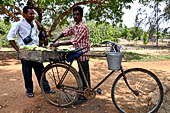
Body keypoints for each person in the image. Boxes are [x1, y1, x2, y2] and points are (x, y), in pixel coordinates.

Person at [7, 6, 54, 98]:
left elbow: (36, 36)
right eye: (30, 14)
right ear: (24, 14)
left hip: (36, 52)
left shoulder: (35, 23)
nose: (33, 15)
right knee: (27, 72)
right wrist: (18, 50)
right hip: (25, 53)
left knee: (40, 70)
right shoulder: (18, 24)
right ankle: (29, 90)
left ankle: (46, 89)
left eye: (33, 13)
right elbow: (10, 38)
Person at [51, 6, 91, 96]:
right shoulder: (75, 26)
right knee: (82, 74)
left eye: (78, 14)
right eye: (74, 15)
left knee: (84, 74)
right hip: (78, 52)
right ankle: (84, 93)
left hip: (84, 53)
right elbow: (66, 32)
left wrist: (59, 43)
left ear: (81, 15)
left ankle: (85, 92)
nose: (75, 16)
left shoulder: (83, 27)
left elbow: (75, 41)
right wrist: (55, 39)